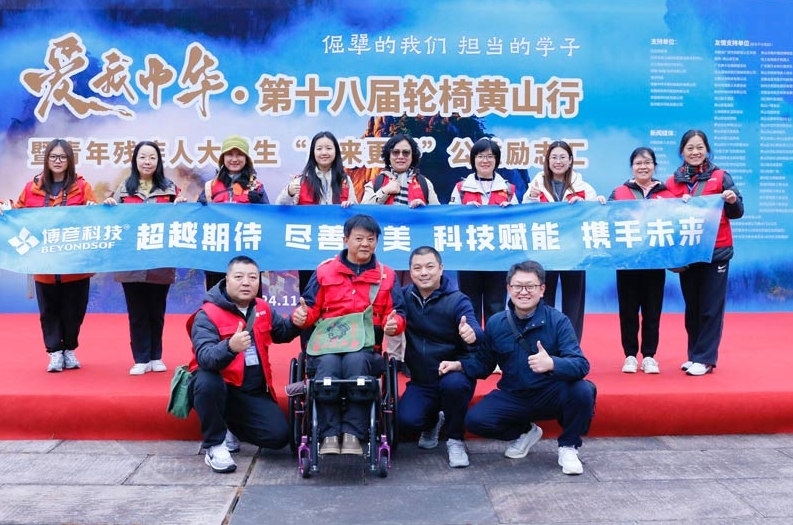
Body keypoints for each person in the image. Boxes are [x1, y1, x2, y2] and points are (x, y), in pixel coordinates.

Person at [439, 260, 594, 475]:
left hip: (550, 393)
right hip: (514, 395)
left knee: (583, 390)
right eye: (518, 286)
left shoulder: (558, 321)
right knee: (476, 421)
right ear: (508, 289)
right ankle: (525, 431)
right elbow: (484, 364)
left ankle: (568, 447)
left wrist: (552, 364)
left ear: (542, 289)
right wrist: (459, 364)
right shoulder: (497, 323)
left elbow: (581, 364)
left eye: (530, 286)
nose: (523, 292)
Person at [291, 214, 406, 455]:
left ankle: (354, 433)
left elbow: (398, 313)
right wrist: (301, 316)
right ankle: (329, 434)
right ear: (346, 239)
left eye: (371, 239)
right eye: (359, 238)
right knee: (328, 367)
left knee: (356, 363)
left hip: (366, 348)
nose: (365, 244)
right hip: (327, 346)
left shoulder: (387, 276)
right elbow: (309, 309)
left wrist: (394, 324)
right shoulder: (324, 272)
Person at [188, 255, 300, 473]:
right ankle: (215, 444)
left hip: (251, 391)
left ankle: (230, 424)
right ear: (227, 279)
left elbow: (281, 333)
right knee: (206, 380)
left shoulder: (262, 308)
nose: (246, 283)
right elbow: (205, 357)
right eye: (239, 277)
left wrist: (297, 322)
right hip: (219, 387)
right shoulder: (207, 314)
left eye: (252, 277)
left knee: (278, 437)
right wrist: (230, 346)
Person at [104, 141, 188, 375]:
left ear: (158, 161)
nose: (147, 162)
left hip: (160, 259)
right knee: (137, 312)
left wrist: (181, 205)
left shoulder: (169, 188)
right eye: (142, 157)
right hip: (131, 260)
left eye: (152, 157)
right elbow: (113, 221)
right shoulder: (124, 188)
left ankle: (156, 356)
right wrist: (109, 205)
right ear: (135, 161)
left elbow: (182, 220)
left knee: (156, 311)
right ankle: (141, 359)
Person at [665, 130, 744, 376]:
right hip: (688, 253)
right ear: (682, 151)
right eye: (690, 148)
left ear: (707, 150)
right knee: (693, 307)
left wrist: (732, 200)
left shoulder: (721, 177)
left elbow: (738, 212)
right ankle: (694, 355)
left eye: (700, 147)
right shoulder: (672, 182)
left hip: (716, 251)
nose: (695, 152)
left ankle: (706, 359)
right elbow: (664, 217)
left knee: (711, 307)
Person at [15, 138, 97, 373]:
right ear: (46, 159)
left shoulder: (82, 187)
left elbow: (95, 216)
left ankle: (69, 348)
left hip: (76, 265)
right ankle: (54, 352)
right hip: (44, 264)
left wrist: (94, 209)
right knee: (48, 311)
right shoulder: (31, 188)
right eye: (53, 156)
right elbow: (17, 215)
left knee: (74, 311)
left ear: (70, 160)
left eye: (62, 157)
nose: (58, 161)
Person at [361, 133, 440, 374]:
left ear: (413, 156)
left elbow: (439, 214)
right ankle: (394, 358)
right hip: (385, 255)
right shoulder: (377, 181)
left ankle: (412, 357)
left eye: (406, 152)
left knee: (413, 303)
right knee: (391, 304)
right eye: (395, 152)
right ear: (388, 156)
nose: (401, 156)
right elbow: (362, 211)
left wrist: (424, 209)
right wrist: (385, 192)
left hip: (416, 257)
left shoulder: (424, 183)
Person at [398, 246, 484, 468]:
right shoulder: (404, 296)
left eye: (429, 267)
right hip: (422, 380)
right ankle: (433, 421)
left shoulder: (458, 300)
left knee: (454, 386)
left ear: (441, 268)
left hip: (453, 373)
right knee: (406, 420)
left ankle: (455, 439)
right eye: (417, 268)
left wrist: (472, 334)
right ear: (410, 271)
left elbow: (475, 329)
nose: (423, 273)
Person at [274, 131, 357, 341]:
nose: (324, 152)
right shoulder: (301, 180)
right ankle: (308, 348)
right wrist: (289, 192)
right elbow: (280, 206)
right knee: (309, 300)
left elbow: (356, 214)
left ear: (336, 152)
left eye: (328, 148)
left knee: (338, 299)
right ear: (312, 152)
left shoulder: (345, 180)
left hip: (337, 251)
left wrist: (351, 206)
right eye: (319, 148)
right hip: (308, 254)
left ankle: (340, 344)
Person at [522, 140, 604, 343]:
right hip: (545, 253)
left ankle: (571, 346)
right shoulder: (536, 185)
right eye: (554, 157)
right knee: (544, 299)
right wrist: (531, 198)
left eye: (562, 157)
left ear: (570, 160)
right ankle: (544, 344)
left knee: (573, 302)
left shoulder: (583, 187)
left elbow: (595, 214)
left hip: (574, 253)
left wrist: (593, 204)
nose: (558, 161)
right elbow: (523, 215)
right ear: (547, 161)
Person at [608, 147, 674, 375]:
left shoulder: (667, 194)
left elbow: (677, 222)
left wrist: (685, 205)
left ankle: (649, 356)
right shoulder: (619, 192)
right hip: (628, 262)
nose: (643, 167)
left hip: (655, 262)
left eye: (647, 162)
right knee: (627, 311)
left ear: (654, 166)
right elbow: (607, 220)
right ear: (632, 167)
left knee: (652, 311)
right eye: (638, 163)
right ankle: (629, 355)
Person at [449, 137, 517, 330]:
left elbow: (519, 222)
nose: (485, 160)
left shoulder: (509, 190)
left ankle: (494, 345)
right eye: (480, 156)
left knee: (496, 305)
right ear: (473, 160)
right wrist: (463, 211)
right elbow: (449, 219)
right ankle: (472, 345)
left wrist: (510, 211)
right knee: (469, 304)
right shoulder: (461, 188)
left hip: (498, 257)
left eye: (490, 156)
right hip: (469, 257)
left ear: (497, 160)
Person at [198, 135, 269, 291]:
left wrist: (259, 204)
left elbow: (268, 220)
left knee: (247, 299)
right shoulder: (210, 186)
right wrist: (201, 205)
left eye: (239, 155)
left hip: (248, 254)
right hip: (217, 254)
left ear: (247, 159)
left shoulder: (256, 186)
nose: (234, 159)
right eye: (229, 154)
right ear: (223, 158)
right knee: (217, 298)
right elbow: (198, 219)